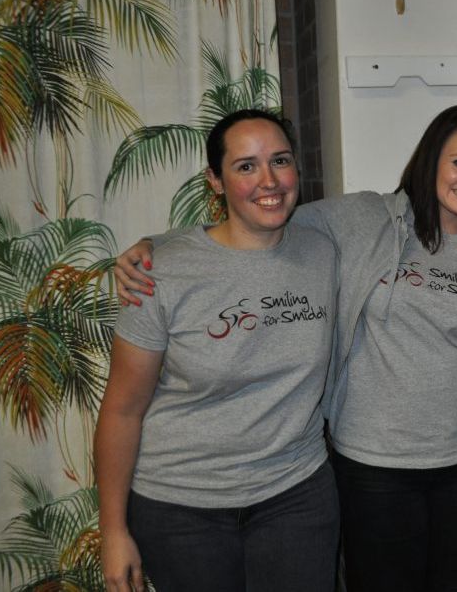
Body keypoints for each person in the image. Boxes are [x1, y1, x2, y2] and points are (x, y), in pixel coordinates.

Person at [113, 105, 457, 592]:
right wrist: (154, 246)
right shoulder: (366, 217)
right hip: (375, 465)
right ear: (432, 160)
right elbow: (262, 215)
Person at [95, 109, 340, 592]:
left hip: (296, 495)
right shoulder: (160, 273)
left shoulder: (324, 250)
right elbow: (122, 410)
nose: (268, 180)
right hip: (181, 508)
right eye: (246, 166)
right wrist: (113, 531)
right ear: (215, 180)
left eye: (280, 161)